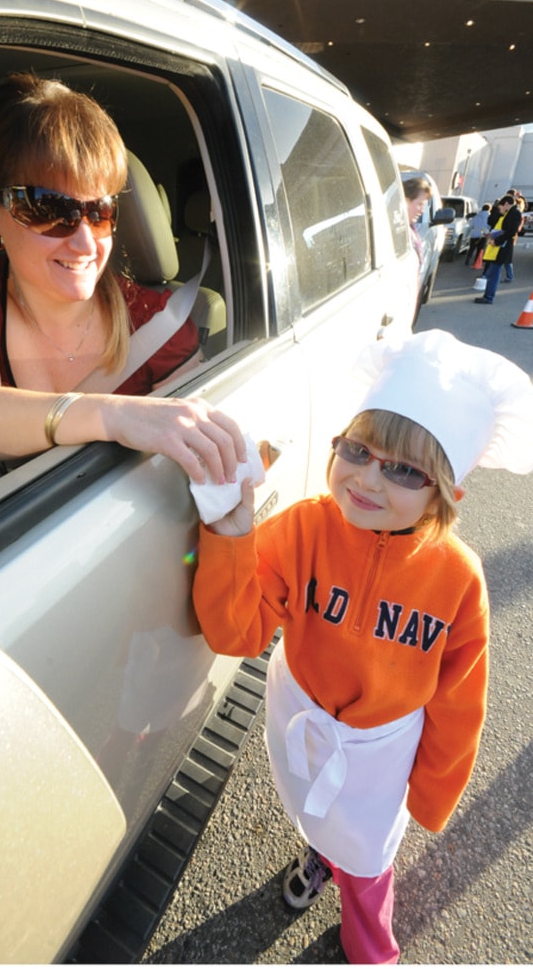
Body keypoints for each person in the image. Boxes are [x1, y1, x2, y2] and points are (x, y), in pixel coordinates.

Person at [192, 329, 533, 964]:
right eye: (357, 449)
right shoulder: (300, 529)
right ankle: (322, 853)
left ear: (447, 492)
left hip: (382, 751)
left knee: (370, 859)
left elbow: (459, 701)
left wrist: (432, 794)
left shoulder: (457, 578)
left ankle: (371, 947)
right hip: (302, 715)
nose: (368, 478)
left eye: (404, 469)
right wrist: (231, 531)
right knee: (315, 812)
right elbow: (236, 632)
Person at [0, 73, 246, 509]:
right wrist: (112, 415)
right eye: (49, 209)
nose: (85, 243)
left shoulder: (159, 324)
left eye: (99, 211)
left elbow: (203, 470)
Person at [474, 194, 523, 305]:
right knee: (492, 272)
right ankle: (488, 296)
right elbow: (503, 229)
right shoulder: (509, 214)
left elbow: (510, 231)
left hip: (502, 247)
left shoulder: (515, 214)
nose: (500, 210)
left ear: (506, 204)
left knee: (494, 273)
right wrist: (493, 235)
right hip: (500, 246)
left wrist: (497, 240)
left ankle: (488, 297)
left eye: (500, 208)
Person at [402, 175, 431, 268]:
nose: (422, 211)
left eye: (424, 206)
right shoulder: (397, 233)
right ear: (406, 202)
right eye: (420, 204)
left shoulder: (410, 229)